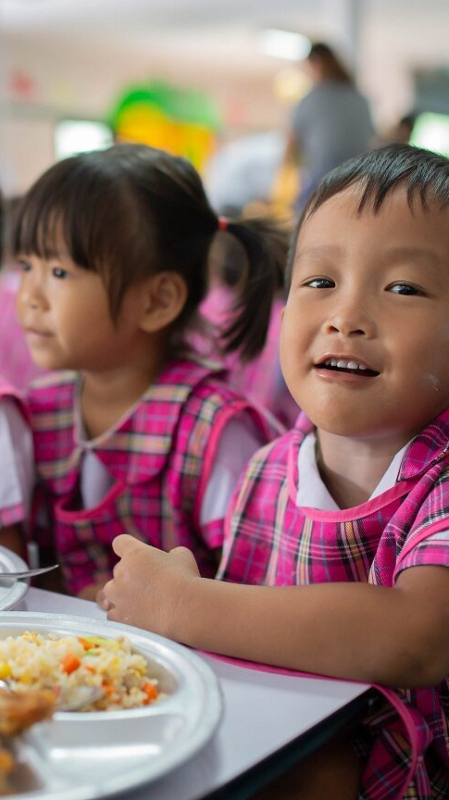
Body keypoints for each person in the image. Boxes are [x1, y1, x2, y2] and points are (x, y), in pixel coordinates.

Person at [103, 144, 449, 799]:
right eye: (319, 282)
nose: (346, 318)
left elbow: (416, 636)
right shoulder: (267, 468)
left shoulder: (440, 479)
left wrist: (185, 603)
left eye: (402, 288)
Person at [14, 143, 286, 602]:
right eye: (26, 265)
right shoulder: (41, 410)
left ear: (158, 301)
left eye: (59, 272)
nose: (29, 297)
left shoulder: (213, 432)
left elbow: (262, 590)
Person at [286, 41, 374, 212]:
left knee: (303, 214)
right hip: (358, 183)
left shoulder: (311, 99)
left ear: (316, 63)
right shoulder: (361, 100)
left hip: (322, 181)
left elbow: (291, 146)